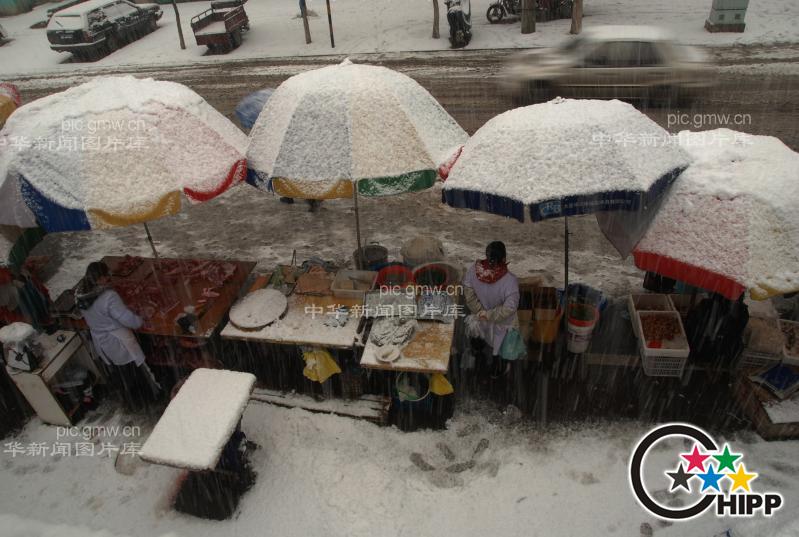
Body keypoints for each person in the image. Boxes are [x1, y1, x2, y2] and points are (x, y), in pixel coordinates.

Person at [76, 261, 160, 411]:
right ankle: (152, 399)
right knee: (139, 370)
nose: (109, 278)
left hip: (101, 341)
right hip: (118, 340)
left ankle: (132, 401)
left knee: (121, 373)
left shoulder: (81, 296)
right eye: (106, 276)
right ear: (100, 278)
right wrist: (140, 320)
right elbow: (127, 319)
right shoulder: (108, 297)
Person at [463, 241, 521, 377]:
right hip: (502, 324)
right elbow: (510, 307)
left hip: (479, 321)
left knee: (478, 342)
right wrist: (489, 315)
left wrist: (481, 312)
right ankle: (496, 371)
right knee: (499, 350)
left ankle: (478, 361)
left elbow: (468, 293)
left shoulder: (473, 270)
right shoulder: (510, 281)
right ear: (504, 259)